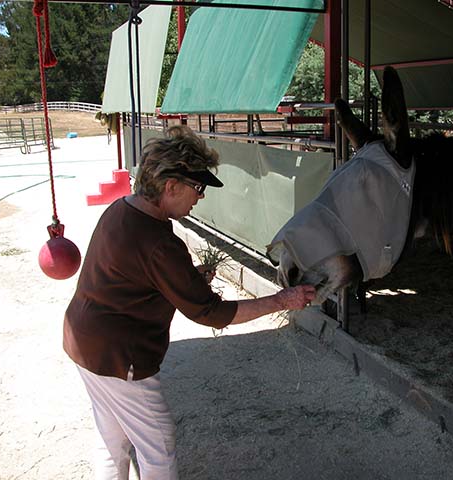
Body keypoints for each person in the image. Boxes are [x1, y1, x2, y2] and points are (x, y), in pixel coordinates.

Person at [63, 125, 316, 479]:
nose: (199, 197)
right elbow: (213, 314)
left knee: (112, 439)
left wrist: (187, 278)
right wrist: (283, 299)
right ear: (171, 186)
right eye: (197, 188)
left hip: (84, 342)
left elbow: (136, 276)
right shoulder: (159, 243)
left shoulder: (121, 210)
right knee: (157, 448)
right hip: (120, 357)